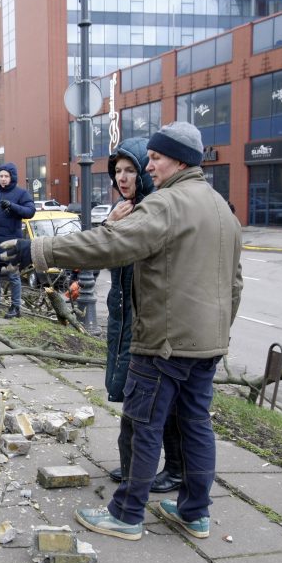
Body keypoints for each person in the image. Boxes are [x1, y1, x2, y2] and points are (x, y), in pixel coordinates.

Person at [0, 122, 243, 541]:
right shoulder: (222, 209)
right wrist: (216, 333)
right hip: (208, 345)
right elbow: (235, 284)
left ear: (180, 160)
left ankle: (128, 514)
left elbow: (110, 243)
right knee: (197, 425)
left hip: (163, 343)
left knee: (143, 423)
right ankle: (195, 512)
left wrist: (38, 249)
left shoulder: (167, 204)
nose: (150, 165)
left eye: (156, 158)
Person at [104, 138, 183, 494]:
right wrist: (112, 224)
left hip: (150, 324)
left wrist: (112, 230)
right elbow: (111, 261)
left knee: (152, 405)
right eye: (117, 171)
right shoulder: (126, 209)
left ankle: (148, 475)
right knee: (140, 401)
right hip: (127, 320)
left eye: (130, 170)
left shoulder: (153, 211)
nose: (122, 178)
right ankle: (134, 469)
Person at [0, 163, 35, 319]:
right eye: (1, 176)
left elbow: (30, 212)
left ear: (12, 177)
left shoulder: (22, 193)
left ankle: (16, 307)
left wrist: (13, 206)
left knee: (13, 276)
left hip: (12, 241)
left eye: (6, 176)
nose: (3, 179)